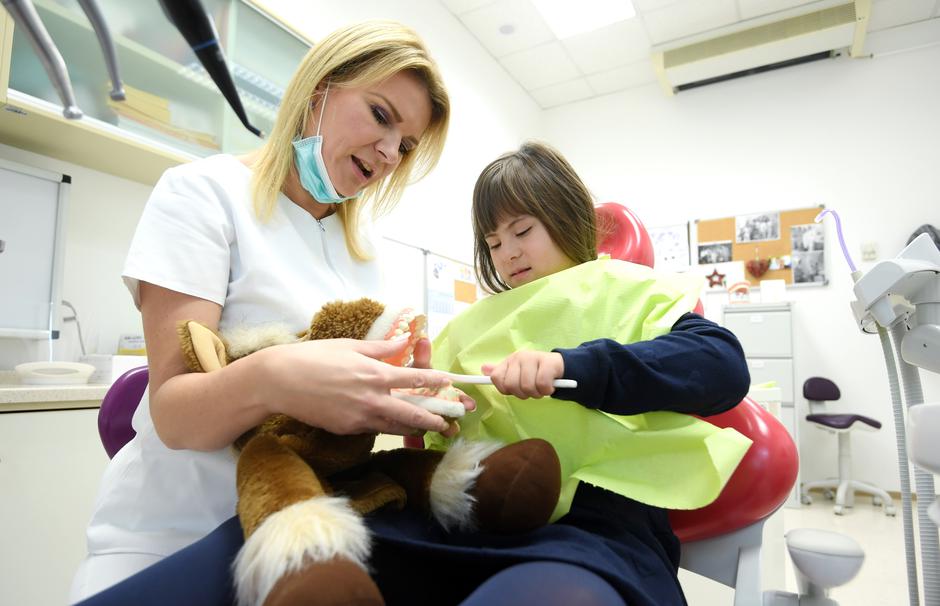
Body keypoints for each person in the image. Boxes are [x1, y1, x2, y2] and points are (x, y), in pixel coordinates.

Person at [74, 141, 751, 606]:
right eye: (493, 243)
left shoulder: (629, 289)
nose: (507, 254)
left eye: (522, 231)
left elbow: (720, 366)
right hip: (467, 519)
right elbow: (432, 448)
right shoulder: (467, 326)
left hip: (594, 523)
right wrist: (421, 402)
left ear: (567, 220)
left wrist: (572, 366)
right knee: (273, 551)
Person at [69, 20, 461, 603]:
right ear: (320, 88)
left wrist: (396, 398)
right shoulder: (203, 194)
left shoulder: (362, 251)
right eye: (381, 116)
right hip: (172, 532)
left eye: (405, 145)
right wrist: (278, 378)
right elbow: (175, 413)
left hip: (305, 530)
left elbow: (330, 417)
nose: (387, 153)